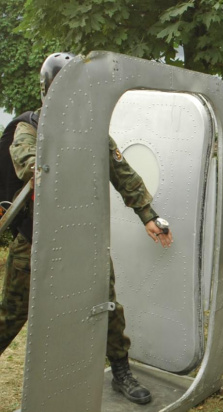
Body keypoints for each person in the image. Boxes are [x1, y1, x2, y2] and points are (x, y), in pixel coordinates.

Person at [0, 52, 174, 405]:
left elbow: (123, 174)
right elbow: (29, 165)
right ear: (51, 90)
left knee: (108, 306)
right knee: (12, 314)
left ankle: (121, 371)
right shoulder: (29, 128)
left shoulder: (93, 131)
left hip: (84, 240)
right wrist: (53, 164)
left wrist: (149, 216)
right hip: (36, 242)